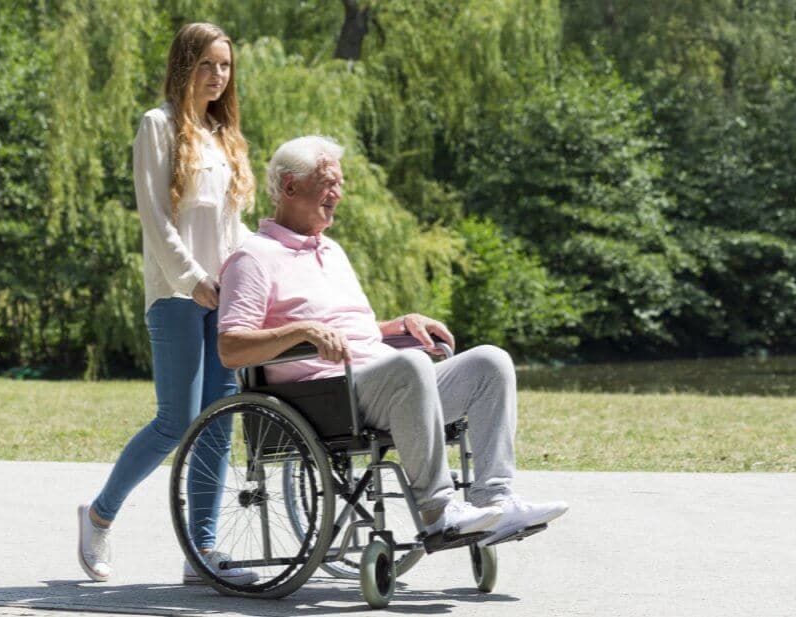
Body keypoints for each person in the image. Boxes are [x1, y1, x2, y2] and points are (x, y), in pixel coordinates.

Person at [216, 136, 568, 546]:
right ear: (290, 187)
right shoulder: (253, 258)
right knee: (411, 365)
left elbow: (348, 326)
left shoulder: (331, 251)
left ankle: (496, 501)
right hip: (324, 397)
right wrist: (300, 331)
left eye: (339, 183)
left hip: (380, 382)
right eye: (329, 183)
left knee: (491, 362)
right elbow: (231, 347)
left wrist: (396, 325)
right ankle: (438, 511)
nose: (339, 194)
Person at [77, 22, 258, 586]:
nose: (217, 76)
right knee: (175, 421)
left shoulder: (222, 134)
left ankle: (200, 551)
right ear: (184, 65)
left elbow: (233, 225)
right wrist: (194, 277)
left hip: (224, 296)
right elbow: (155, 219)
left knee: (217, 423)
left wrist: (262, 266)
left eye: (225, 66)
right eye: (207, 64)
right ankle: (100, 514)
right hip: (178, 294)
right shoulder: (157, 127)